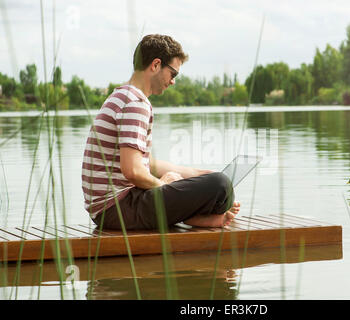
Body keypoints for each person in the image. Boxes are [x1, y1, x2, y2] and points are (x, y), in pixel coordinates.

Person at [81, 34, 240, 230]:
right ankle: (195, 215)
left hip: (110, 209)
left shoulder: (122, 96)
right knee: (221, 185)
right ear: (156, 65)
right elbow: (132, 171)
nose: (173, 81)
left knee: (211, 179)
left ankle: (193, 216)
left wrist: (195, 174)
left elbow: (145, 164)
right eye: (173, 74)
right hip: (120, 210)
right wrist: (163, 186)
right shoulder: (135, 103)